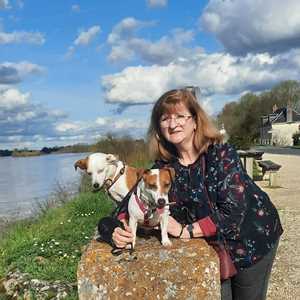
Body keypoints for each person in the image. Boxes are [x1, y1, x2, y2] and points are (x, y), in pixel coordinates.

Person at [110, 88, 283, 300]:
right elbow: (125, 205)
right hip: (213, 246)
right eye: (165, 118)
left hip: (251, 238)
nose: (173, 124)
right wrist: (116, 229)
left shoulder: (221, 153)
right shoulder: (162, 169)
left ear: (195, 121)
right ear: (158, 128)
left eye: (180, 116)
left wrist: (185, 231)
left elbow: (233, 213)